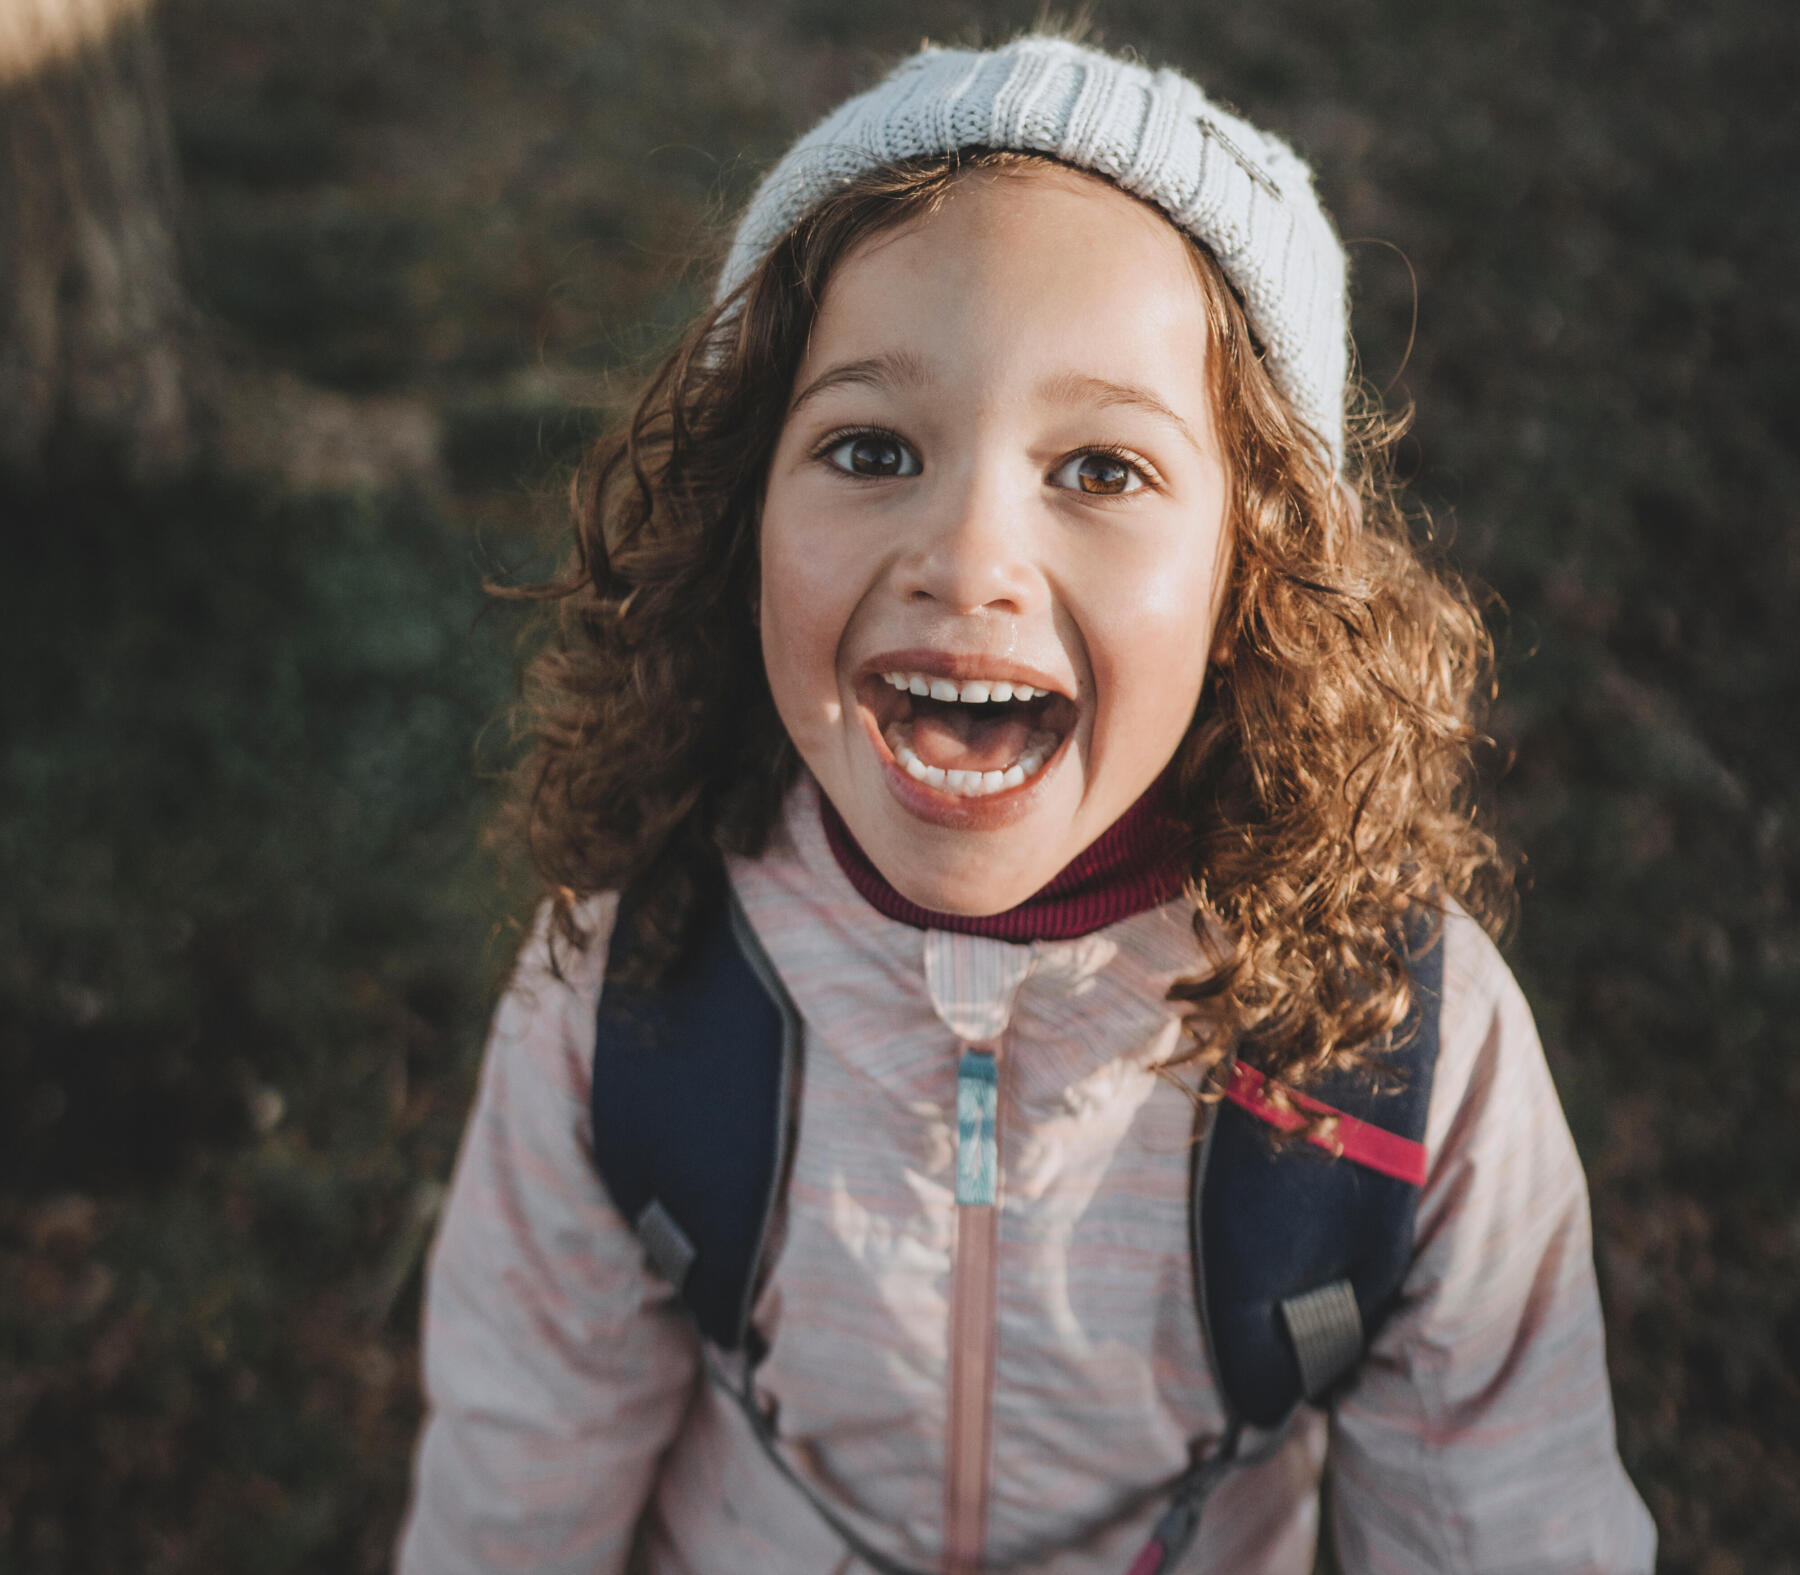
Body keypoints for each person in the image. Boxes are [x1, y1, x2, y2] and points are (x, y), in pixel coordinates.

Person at [396, 32, 1656, 1575]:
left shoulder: (1401, 1060)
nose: (969, 553)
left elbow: (1505, 1531)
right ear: (742, 518)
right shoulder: (629, 995)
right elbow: (513, 1491)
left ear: (1259, 570)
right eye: (872, 448)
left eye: (1103, 470)